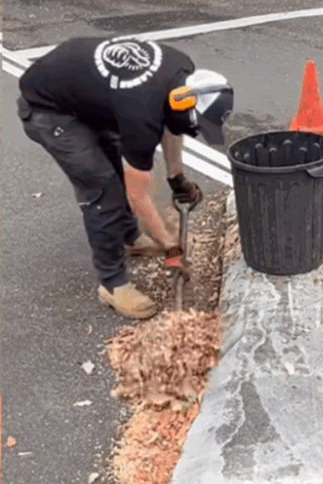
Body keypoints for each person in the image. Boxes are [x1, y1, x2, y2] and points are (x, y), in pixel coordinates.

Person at [17, 34, 234, 319]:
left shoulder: (182, 74)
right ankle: (112, 284)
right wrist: (169, 244)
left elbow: (173, 126)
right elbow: (137, 195)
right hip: (48, 108)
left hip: (85, 94)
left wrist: (175, 177)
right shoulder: (142, 115)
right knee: (102, 187)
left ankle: (129, 236)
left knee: (118, 163)